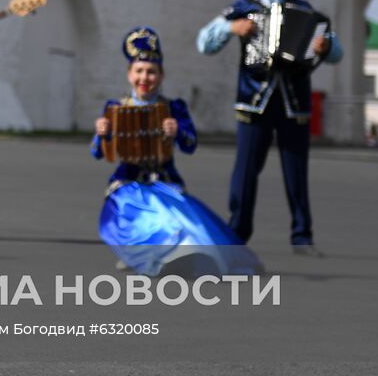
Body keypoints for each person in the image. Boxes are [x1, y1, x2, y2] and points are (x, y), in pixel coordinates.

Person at [196, 0, 342, 253]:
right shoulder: (241, 8)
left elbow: (334, 50)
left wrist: (324, 47)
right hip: (254, 100)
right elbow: (204, 43)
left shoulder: (302, 9)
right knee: (245, 171)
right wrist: (231, 28)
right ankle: (237, 234)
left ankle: (302, 236)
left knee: (297, 172)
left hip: (293, 102)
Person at [91, 27, 261, 276]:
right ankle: (142, 254)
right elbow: (98, 152)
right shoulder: (115, 108)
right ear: (129, 75)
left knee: (174, 218)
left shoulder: (173, 108)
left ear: (161, 77)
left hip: (164, 181)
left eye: (151, 72)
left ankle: (175, 254)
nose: (145, 78)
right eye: (139, 71)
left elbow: (190, 144)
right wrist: (102, 133)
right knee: (131, 210)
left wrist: (178, 131)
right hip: (127, 181)